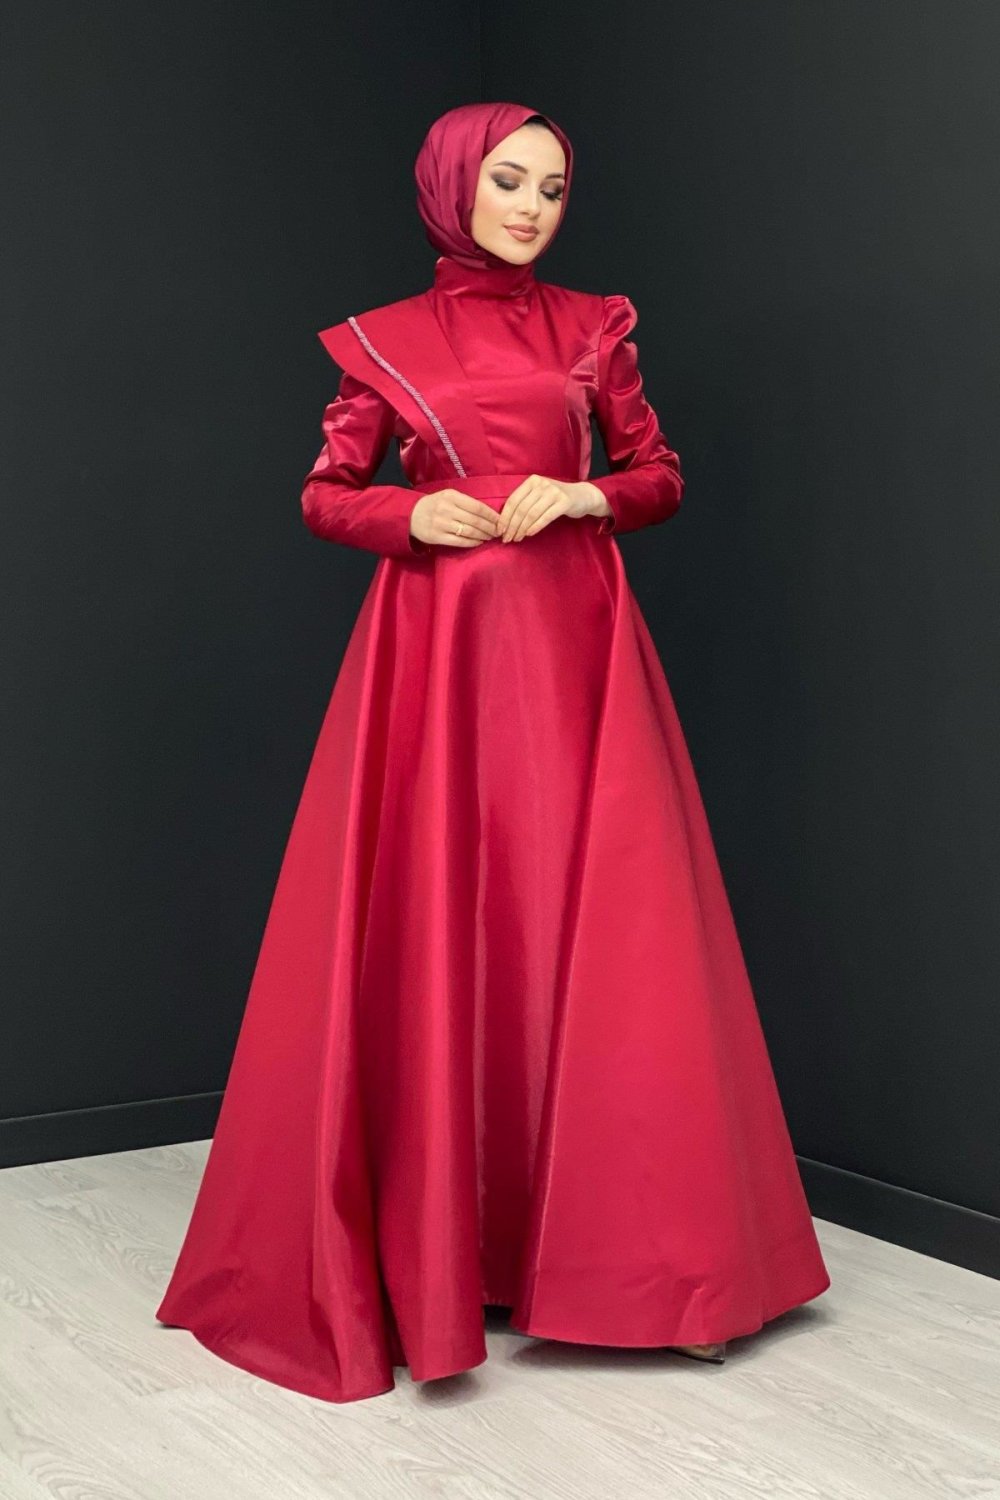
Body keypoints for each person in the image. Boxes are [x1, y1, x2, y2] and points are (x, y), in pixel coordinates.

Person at [155, 101, 830, 1403]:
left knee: (611, 926)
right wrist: (412, 517)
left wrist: (585, 493)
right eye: (509, 181)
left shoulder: (595, 326)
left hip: (580, 647)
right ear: (453, 184)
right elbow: (326, 494)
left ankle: (655, 1273)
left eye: (552, 189)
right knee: (453, 922)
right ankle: (446, 1254)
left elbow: (659, 473)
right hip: (441, 651)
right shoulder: (383, 342)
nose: (529, 207)